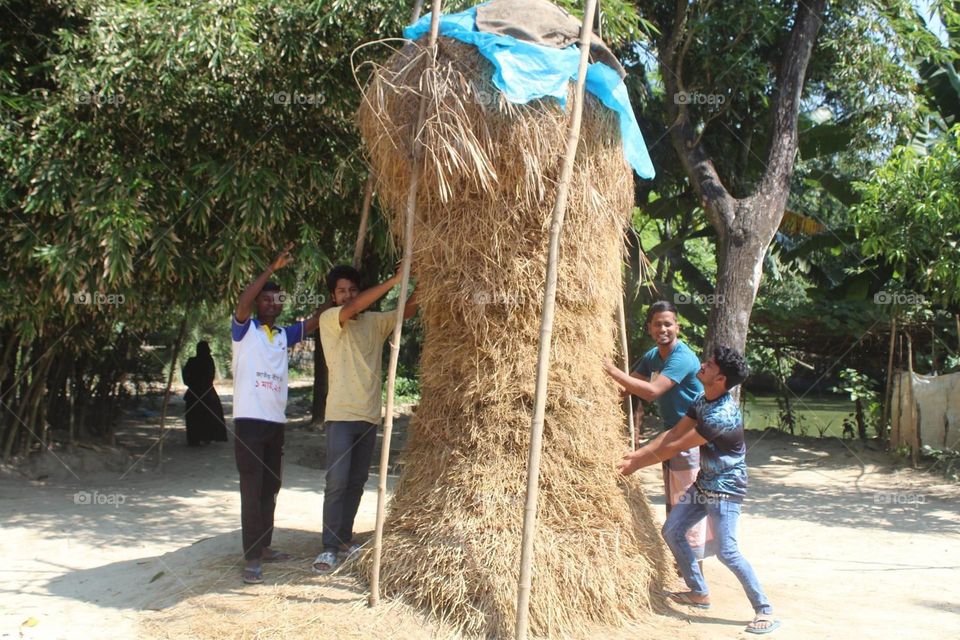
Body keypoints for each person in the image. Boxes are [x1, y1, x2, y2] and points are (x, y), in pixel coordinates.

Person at [616, 347, 779, 635]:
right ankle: (699, 592)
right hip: (705, 483)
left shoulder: (721, 415)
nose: (703, 365)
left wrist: (636, 464)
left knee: (727, 552)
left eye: (710, 365)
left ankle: (763, 609)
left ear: (721, 378)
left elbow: (677, 447)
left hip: (726, 490)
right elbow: (672, 434)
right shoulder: (702, 400)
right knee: (672, 530)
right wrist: (636, 455)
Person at [312, 265, 418, 574]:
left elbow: (408, 311)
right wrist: (396, 279)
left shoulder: (374, 322)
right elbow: (353, 309)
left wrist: (423, 277)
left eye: (352, 289)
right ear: (333, 297)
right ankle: (329, 547)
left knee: (356, 483)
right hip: (341, 417)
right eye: (341, 291)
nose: (347, 295)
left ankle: (344, 539)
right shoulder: (330, 320)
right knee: (337, 482)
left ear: (359, 290)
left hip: (370, 416)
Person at [232, 243, 324, 585]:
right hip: (249, 422)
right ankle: (251, 558)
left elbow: (314, 323)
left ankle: (264, 546)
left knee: (271, 486)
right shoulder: (245, 331)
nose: (273, 302)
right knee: (251, 488)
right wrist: (272, 269)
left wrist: (337, 300)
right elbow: (242, 301)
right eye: (267, 298)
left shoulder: (284, 335)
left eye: (277, 298)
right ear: (258, 304)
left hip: (275, 423)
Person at [603, 300, 711, 562]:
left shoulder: (682, 357)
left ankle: (694, 569)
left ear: (678, 327)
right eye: (657, 324)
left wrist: (612, 370)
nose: (663, 329)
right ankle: (680, 561)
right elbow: (630, 385)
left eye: (668, 324)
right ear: (650, 329)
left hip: (689, 437)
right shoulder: (654, 356)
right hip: (671, 433)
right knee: (674, 499)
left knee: (685, 499)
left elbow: (651, 392)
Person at [182, 341, 228, 446]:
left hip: (196, 393)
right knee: (205, 415)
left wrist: (193, 385)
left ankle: (197, 438)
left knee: (197, 416)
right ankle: (204, 437)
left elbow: (187, 377)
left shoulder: (195, 361)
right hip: (206, 393)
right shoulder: (206, 361)